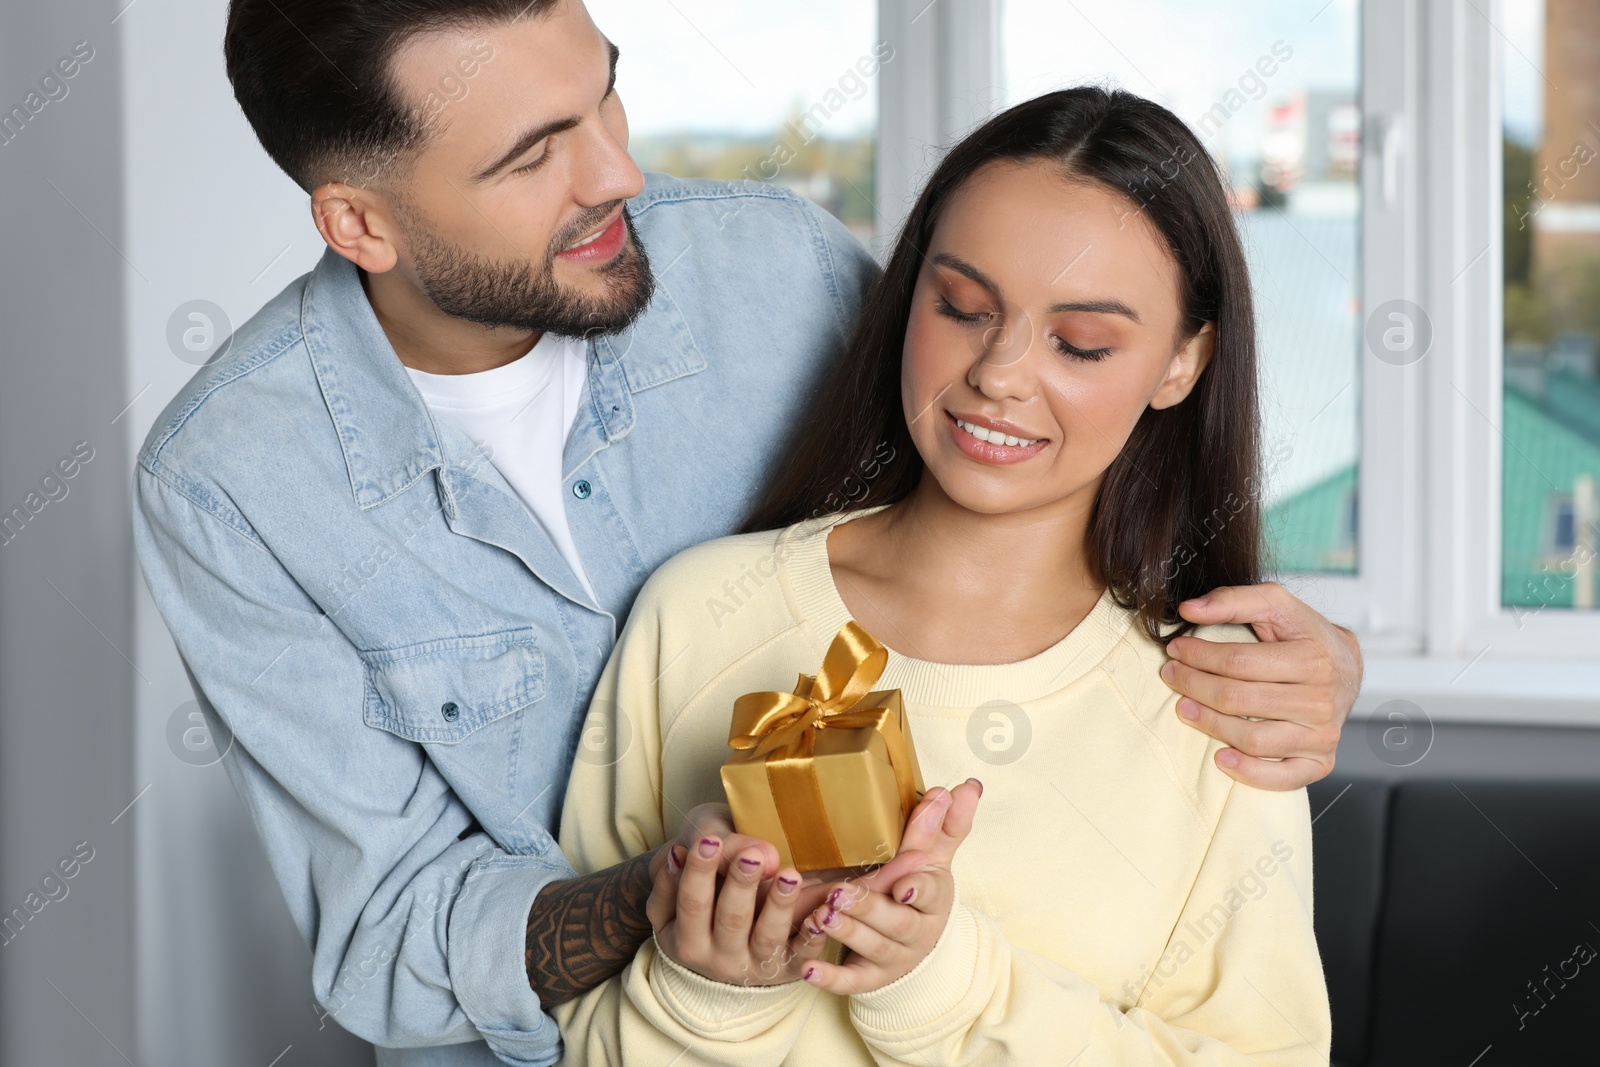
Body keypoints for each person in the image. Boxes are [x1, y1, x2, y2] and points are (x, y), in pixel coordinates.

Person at [133, 1, 1358, 1063]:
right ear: (361, 226)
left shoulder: (776, 266)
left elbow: (1032, 423)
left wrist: (1301, 658)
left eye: (604, 94)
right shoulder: (231, 480)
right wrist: (692, 912)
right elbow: (390, 934)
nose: (619, 174)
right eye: (530, 157)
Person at [553, 87, 1332, 1065]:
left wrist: (944, 983)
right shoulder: (698, 613)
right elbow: (572, 1031)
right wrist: (708, 987)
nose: (998, 371)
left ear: (1181, 362)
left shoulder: (1223, 697)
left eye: (1080, 342)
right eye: (962, 306)